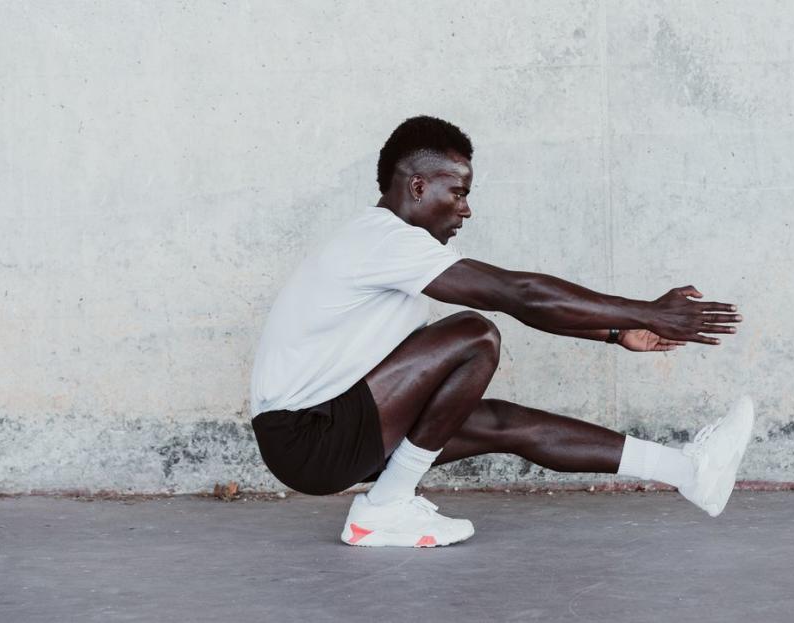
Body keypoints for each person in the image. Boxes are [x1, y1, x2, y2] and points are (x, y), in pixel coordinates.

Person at [249, 115, 753, 548]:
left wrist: (617, 331)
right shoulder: (382, 240)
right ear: (418, 186)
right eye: (459, 192)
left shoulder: (394, 248)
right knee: (474, 335)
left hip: (328, 434)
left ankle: (690, 472)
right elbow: (519, 294)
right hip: (309, 437)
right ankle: (387, 505)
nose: (466, 209)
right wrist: (648, 312)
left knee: (505, 423)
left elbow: (524, 301)